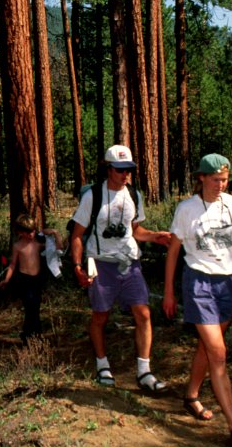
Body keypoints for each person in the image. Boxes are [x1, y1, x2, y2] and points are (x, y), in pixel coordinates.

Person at [163, 154, 232, 447]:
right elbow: (174, 251)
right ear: (201, 178)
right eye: (215, 180)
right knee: (218, 352)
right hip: (198, 283)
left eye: (225, 179)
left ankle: (190, 396)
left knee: (208, 346)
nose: (220, 185)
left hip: (228, 283)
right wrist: (169, 292)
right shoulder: (187, 209)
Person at [69, 144, 172, 393]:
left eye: (129, 170)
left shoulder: (134, 195)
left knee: (144, 314)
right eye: (119, 169)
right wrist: (77, 266)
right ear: (108, 169)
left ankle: (144, 371)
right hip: (100, 263)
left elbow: (135, 230)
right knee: (101, 316)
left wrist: (155, 236)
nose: (125, 175)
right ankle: (102, 365)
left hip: (129, 262)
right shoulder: (92, 196)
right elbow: (77, 234)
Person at [0, 214, 59, 342]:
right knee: (30, 307)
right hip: (24, 280)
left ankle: (31, 335)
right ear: (21, 232)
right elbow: (13, 264)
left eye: (32, 231)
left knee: (35, 307)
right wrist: (6, 279)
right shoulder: (18, 246)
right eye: (28, 232)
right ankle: (31, 335)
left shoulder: (38, 242)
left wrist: (55, 233)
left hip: (37, 280)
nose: (31, 234)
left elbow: (57, 248)